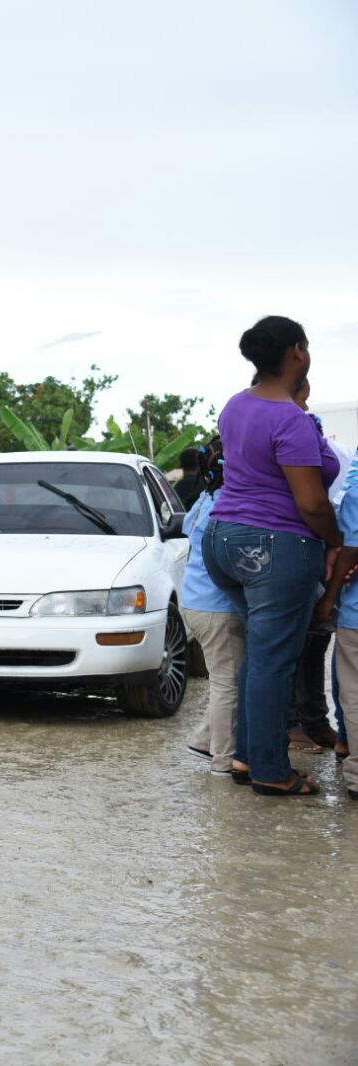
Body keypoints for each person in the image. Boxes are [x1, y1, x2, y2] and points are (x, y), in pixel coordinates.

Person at [203, 316, 341, 797]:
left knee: (261, 656)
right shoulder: (290, 419)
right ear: (298, 353)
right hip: (274, 546)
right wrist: (336, 540)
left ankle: (246, 757)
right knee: (274, 661)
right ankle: (269, 769)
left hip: (222, 540)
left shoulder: (236, 405)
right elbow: (311, 503)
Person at [178, 439, 241, 776]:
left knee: (223, 680)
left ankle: (205, 739)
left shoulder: (204, 501)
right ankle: (223, 760)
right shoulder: (228, 505)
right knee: (227, 683)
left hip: (195, 602)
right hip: (217, 606)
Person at [287, 379, 342, 751]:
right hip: (294, 551)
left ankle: (314, 721)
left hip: (322, 552)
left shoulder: (318, 438)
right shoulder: (273, 433)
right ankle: (291, 725)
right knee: (291, 645)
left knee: (314, 642)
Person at [316, 452, 358, 801]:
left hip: (355, 614)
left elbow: (350, 549)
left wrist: (328, 599)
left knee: (353, 692)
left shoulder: (354, 493)